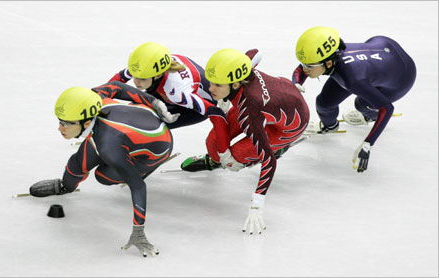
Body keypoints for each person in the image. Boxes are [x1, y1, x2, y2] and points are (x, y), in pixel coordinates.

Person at [29, 82, 179, 257]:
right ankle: (66, 186)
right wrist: (153, 102)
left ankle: (142, 168)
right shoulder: (92, 99)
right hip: (131, 125)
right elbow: (117, 86)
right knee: (76, 164)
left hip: (154, 150)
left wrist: (139, 231)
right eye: (60, 122)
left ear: (86, 123)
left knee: (103, 175)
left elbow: (138, 186)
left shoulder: (109, 145)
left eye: (67, 124)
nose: (60, 128)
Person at [181, 48, 310, 235]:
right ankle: (218, 159)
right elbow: (255, 52)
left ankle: (279, 147)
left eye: (217, 85)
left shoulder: (249, 111)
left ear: (234, 84)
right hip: (281, 96)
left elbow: (268, 161)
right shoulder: (241, 68)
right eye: (212, 83)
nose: (210, 89)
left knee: (238, 155)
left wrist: (257, 205)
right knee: (213, 143)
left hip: (289, 125)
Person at [292, 26, 416, 172]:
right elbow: (301, 69)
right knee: (324, 103)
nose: (304, 70)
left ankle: (368, 115)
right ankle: (329, 126)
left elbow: (387, 108)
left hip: (402, 77)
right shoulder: (332, 58)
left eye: (310, 66)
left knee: (362, 104)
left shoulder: (353, 79)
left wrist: (368, 143)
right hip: (383, 46)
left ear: (329, 63)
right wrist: (296, 83)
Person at [107, 42, 229, 129]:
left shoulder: (175, 91)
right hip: (181, 87)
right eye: (134, 76)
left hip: (196, 106)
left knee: (149, 123)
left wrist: (223, 147)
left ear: (158, 75)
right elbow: (116, 82)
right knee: (134, 109)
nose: (135, 81)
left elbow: (213, 111)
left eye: (141, 78)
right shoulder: (142, 67)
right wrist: (100, 98)